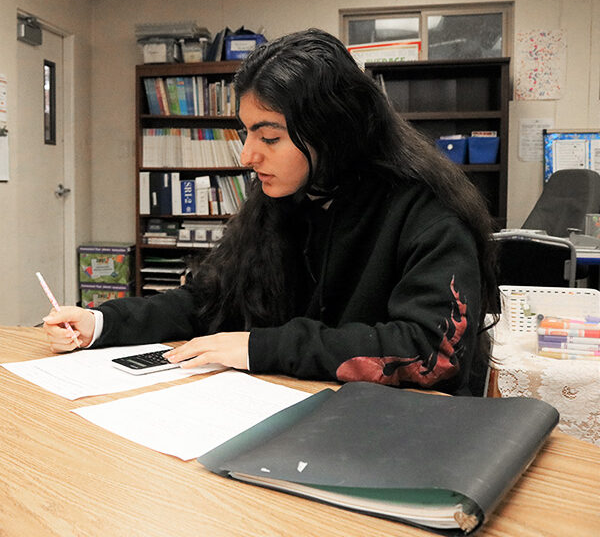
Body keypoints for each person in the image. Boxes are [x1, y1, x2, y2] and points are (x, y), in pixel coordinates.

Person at [44, 28, 498, 395]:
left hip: (394, 431)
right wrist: (101, 322)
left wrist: (260, 347)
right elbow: (209, 300)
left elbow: (429, 351)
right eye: (247, 133)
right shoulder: (285, 197)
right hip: (291, 408)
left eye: (270, 136)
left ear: (333, 130)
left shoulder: (427, 211)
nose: (246, 155)